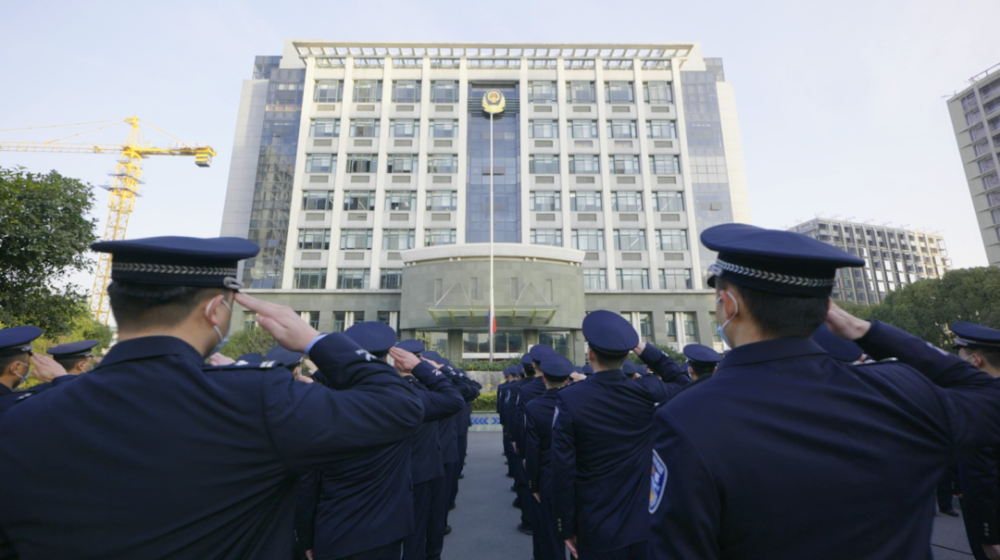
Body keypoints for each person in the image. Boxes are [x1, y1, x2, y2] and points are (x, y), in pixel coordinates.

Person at [0, 236, 424, 560]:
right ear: (215, 312)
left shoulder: (22, 418)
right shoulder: (258, 401)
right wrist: (316, 340)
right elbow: (398, 405)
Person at [648, 223, 1000, 560]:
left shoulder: (688, 417)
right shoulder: (900, 390)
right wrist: (867, 331)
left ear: (728, 305)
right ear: (826, 310)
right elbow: (987, 394)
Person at [295, 322, 436, 560]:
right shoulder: (402, 404)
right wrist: (423, 368)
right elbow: (457, 395)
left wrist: (306, 535)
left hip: (334, 531)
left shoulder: (318, 404)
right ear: (387, 357)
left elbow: (308, 482)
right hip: (386, 531)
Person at [551, 310, 659, 560]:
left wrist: (565, 526)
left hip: (597, 527)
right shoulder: (647, 391)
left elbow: (563, 469)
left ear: (590, 356)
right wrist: (641, 347)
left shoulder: (570, 398)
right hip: (644, 526)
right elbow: (680, 379)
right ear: (627, 354)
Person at [950, 322, 1000, 560]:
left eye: (961, 355)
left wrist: (988, 536)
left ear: (976, 360)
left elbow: (980, 477)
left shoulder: (976, 406)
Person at [526, 353, 573, 560]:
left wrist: (532, 484)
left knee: (549, 534)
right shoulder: (578, 402)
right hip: (576, 476)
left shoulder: (533, 407)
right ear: (567, 379)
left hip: (547, 477)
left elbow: (533, 450)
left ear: (543, 377)